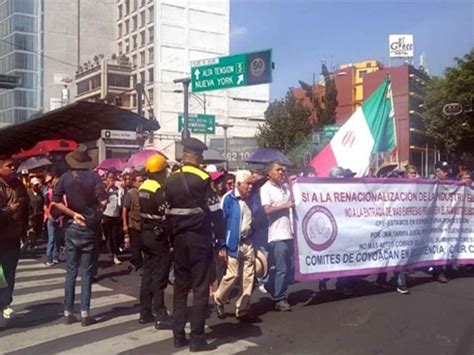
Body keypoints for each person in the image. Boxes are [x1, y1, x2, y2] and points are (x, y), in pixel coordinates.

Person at [165, 138, 224, 351]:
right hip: (199, 240)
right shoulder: (203, 178)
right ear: (197, 156)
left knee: (180, 288)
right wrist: (221, 240)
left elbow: (166, 213)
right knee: (200, 289)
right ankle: (197, 338)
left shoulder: (170, 180)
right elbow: (216, 211)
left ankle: (178, 335)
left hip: (179, 240)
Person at [52, 144, 107, 327]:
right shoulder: (94, 176)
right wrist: (95, 212)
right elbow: (103, 201)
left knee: (71, 271)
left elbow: (56, 202)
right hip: (89, 227)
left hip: (72, 226)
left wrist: (73, 214)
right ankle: (85, 313)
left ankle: (68, 312)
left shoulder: (65, 178)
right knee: (86, 272)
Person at [214, 170, 257, 322]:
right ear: (238, 184)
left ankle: (242, 308)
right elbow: (221, 223)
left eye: (252, 184)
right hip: (232, 243)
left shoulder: (251, 199)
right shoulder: (228, 199)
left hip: (248, 242)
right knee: (232, 275)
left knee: (248, 277)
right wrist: (222, 246)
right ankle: (219, 299)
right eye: (248, 184)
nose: (250, 187)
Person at [137, 155, 173, 329]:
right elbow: (166, 216)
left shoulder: (142, 188)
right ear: (160, 171)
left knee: (148, 275)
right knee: (160, 276)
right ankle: (160, 315)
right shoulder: (159, 191)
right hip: (158, 238)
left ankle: (145, 312)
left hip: (145, 234)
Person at [260, 161, 294, 311]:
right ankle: (279, 298)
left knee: (289, 267)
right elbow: (267, 210)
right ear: (269, 173)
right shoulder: (265, 189)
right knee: (282, 268)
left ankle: (271, 286)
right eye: (278, 170)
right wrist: (285, 206)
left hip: (289, 233)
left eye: (282, 170)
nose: (281, 172)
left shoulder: (284, 188)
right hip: (277, 235)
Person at [0, 155, 29, 329]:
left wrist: (29, 228)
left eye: (14, 166)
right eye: (9, 166)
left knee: (9, 273)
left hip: (13, 237)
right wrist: (8, 211)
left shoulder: (19, 185)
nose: (13, 168)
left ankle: (5, 304)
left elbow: (28, 207)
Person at [431, 161, 451, 283]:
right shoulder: (430, 184)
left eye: (447, 170)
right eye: (444, 170)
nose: (446, 173)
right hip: (435, 221)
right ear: (437, 171)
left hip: (448, 219)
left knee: (448, 243)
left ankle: (447, 268)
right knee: (437, 245)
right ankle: (438, 271)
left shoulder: (451, 183)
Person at [122, 171, 144, 271]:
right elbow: (124, 210)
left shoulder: (144, 193)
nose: (141, 183)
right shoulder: (130, 194)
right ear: (134, 182)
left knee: (142, 244)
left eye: (142, 181)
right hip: (133, 224)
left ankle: (136, 261)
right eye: (139, 181)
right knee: (135, 245)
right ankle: (138, 264)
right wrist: (125, 225)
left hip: (142, 223)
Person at [102, 170, 122, 265]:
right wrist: (108, 188)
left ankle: (113, 252)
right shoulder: (104, 189)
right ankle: (112, 254)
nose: (111, 180)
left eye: (113, 178)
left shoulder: (117, 189)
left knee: (115, 236)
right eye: (109, 178)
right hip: (107, 215)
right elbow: (102, 199)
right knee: (108, 236)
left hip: (116, 215)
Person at [44, 175, 63, 266]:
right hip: (51, 219)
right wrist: (49, 215)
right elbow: (45, 207)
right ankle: (49, 258)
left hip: (59, 218)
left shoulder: (62, 195)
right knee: (51, 239)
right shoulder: (48, 194)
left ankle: (56, 256)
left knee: (58, 239)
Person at [25, 177, 44, 250]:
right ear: (31, 185)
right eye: (35, 185)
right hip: (31, 215)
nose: (36, 186)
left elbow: (42, 201)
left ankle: (32, 242)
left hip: (39, 214)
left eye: (37, 185)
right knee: (31, 230)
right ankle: (29, 243)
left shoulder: (40, 192)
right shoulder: (28, 192)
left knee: (37, 231)